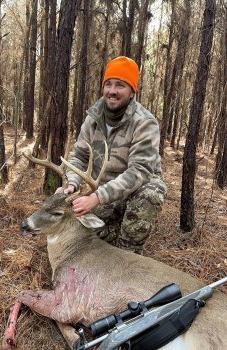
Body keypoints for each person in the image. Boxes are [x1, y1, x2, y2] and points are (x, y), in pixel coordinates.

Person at [61, 56, 167, 255]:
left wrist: (97, 197)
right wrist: (72, 183)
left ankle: (129, 254)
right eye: (108, 84)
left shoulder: (144, 122)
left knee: (151, 193)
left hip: (135, 190)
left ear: (132, 91)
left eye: (120, 85)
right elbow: (79, 157)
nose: (112, 91)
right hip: (106, 194)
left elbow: (140, 171)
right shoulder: (93, 119)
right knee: (73, 231)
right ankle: (115, 232)